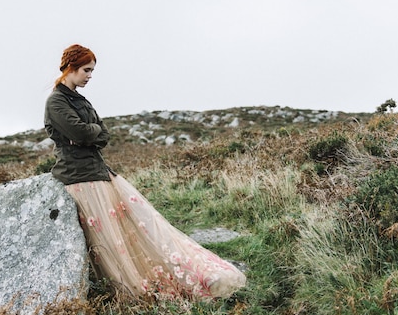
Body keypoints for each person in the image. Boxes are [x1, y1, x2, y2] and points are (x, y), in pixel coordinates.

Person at [44, 44, 246, 300]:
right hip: (79, 178)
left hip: (98, 173)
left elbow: (102, 134)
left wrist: (90, 134)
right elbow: (84, 132)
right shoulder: (57, 101)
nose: (90, 76)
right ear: (70, 68)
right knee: (112, 242)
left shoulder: (79, 99)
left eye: (92, 70)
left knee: (140, 227)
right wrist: (89, 133)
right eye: (87, 70)